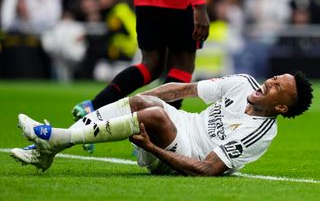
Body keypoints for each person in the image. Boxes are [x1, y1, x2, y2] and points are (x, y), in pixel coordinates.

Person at [10, 72, 313, 176]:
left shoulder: (259, 133)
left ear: (282, 107)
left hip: (188, 154)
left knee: (154, 115)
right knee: (145, 103)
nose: (268, 83)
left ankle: (56, 139)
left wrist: (153, 147)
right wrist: (138, 98)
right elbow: (182, 90)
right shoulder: (243, 83)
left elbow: (207, 169)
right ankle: (51, 147)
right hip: (185, 122)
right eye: (273, 78)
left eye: (276, 88)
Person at [71, 0, 209, 153]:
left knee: (150, 66)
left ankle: (93, 106)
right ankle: (154, 133)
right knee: (182, 67)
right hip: (178, 0)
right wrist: (200, 7)